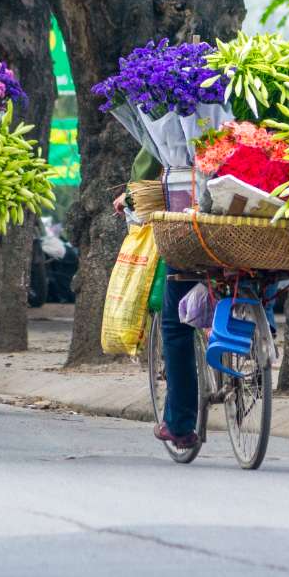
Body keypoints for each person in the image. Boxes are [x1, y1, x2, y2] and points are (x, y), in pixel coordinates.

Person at [120, 148, 200, 451]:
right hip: (252, 225)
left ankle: (180, 425)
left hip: (192, 223)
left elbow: (148, 163)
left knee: (176, 326)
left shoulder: (166, 106)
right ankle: (263, 323)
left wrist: (130, 198)